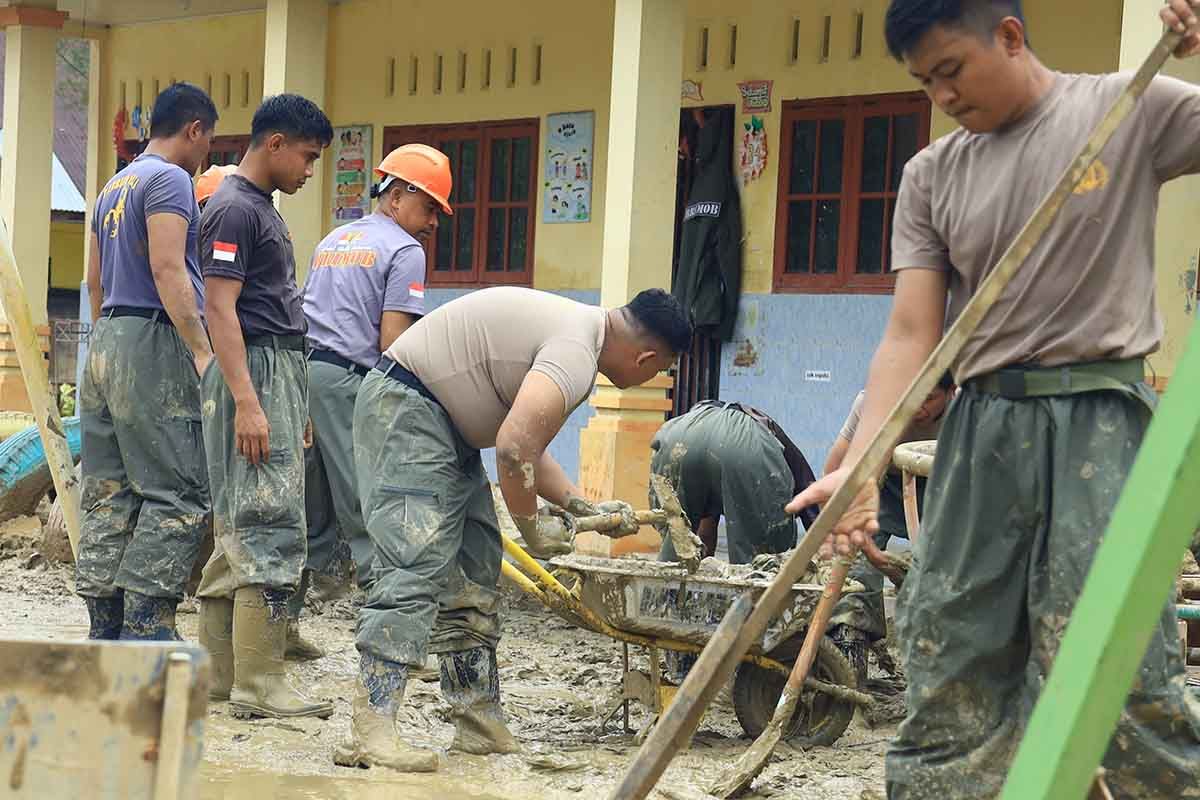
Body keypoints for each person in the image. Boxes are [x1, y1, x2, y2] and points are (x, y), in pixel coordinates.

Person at [789, 2, 1200, 797]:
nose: (942, 96)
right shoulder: (932, 175)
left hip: (1101, 426)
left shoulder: (1128, 107)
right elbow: (910, 334)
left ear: (1009, 35)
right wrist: (862, 464)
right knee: (951, 658)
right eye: (924, 82)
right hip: (981, 432)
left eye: (951, 70)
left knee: (1121, 675)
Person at [334, 287, 692, 772]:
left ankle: (477, 724)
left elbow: (526, 446)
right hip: (408, 409)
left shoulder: (580, 337)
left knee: (474, 567)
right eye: (661, 369)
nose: (654, 378)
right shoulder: (576, 352)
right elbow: (513, 448)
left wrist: (579, 504)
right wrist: (532, 528)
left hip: (443, 425)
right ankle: (370, 729)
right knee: (414, 565)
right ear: (646, 357)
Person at [193, 94, 334, 720]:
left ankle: (220, 678)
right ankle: (261, 684)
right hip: (255, 368)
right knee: (269, 525)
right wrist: (250, 402)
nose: (309, 170)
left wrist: (291, 401)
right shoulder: (233, 209)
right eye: (307, 156)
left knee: (239, 526)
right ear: (274, 144)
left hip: (274, 370)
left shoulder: (257, 208)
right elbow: (219, 309)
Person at [294, 144, 452, 660]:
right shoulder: (405, 251)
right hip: (350, 385)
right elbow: (393, 342)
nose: (433, 223)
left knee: (307, 509)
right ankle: (390, 641)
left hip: (305, 376)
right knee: (370, 507)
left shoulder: (335, 239)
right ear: (399, 195)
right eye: (429, 208)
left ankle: (278, 628)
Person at [76, 82, 218, 641]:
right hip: (152, 338)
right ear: (194, 130)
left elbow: (93, 281)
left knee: (110, 490)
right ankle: (148, 624)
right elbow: (167, 269)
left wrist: (107, 343)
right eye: (207, 142)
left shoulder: (113, 185)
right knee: (176, 489)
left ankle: (104, 625)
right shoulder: (170, 180)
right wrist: (201, 350)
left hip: (107, 335)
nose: (205, 155)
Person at [824, 374, 954, 675]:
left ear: (951, 391)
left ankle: (937, 666)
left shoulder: (966, 409)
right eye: (913, 395)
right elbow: (834, 469)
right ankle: (850, 658)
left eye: (929, 398)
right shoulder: (872, 403)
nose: (919, 406)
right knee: (855, 572)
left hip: (942, 488)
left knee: (941, 578)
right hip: (880, 487)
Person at [650, 400, 819, 564]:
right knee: (763, 562)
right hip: (744, 446)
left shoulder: (707, 424)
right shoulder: (769, 438)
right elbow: (811, 496)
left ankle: (669, 581)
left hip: (680, 434)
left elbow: (705, 534)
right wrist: (824, 542)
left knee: (678, 540)